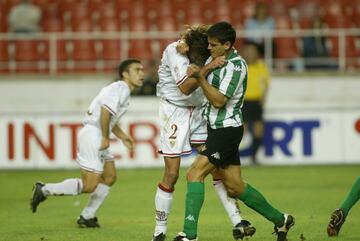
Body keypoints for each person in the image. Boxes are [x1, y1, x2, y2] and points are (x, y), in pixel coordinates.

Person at [173, 22, 294, 241]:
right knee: (235, 187)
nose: (209, 48)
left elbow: (219, 101)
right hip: (217, 129)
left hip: (226, 130)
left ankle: (189, 235)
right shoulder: (214, 58)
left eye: (213, 44)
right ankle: (281, 220)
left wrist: (200, 77)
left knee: (194, 174)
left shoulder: (236, 66)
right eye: (209, 44)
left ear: (227, 45)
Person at [152, 25, 255, 241]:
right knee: (172, 173)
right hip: (174, 111)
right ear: (189, 50)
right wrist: (207, 69)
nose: (205, 57)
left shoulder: (207, 48)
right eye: (200, 55)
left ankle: (238, 221)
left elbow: (210, 39)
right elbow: (186, 87)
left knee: (215, 167)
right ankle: (159, 231)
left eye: (207, 53)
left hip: (200, 111)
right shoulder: (175, 51)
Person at [30, 59, 145, 228]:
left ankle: (87, 216)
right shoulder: (120, 88)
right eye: (137, 70)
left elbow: (109, 118)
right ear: (125, 74)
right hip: (94, 135)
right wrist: (105, 138)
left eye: (142, 70)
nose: (142, 73)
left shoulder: (122, 90)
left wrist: (122, 136)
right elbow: (105, 112)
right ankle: (45, 189)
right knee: (90, 185)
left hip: (97, 133)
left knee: (110, 177)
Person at [241, 41, 270, 165]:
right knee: (242, 131)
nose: (250, 54)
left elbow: (266, 83)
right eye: (248, 52)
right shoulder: (241, 66)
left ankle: (253, 157)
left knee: (259, 131)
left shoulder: (261, 66)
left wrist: (263, 97)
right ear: (244, 53)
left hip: (257, 102)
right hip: (244, 102)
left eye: (253, 52)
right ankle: (232, 157)